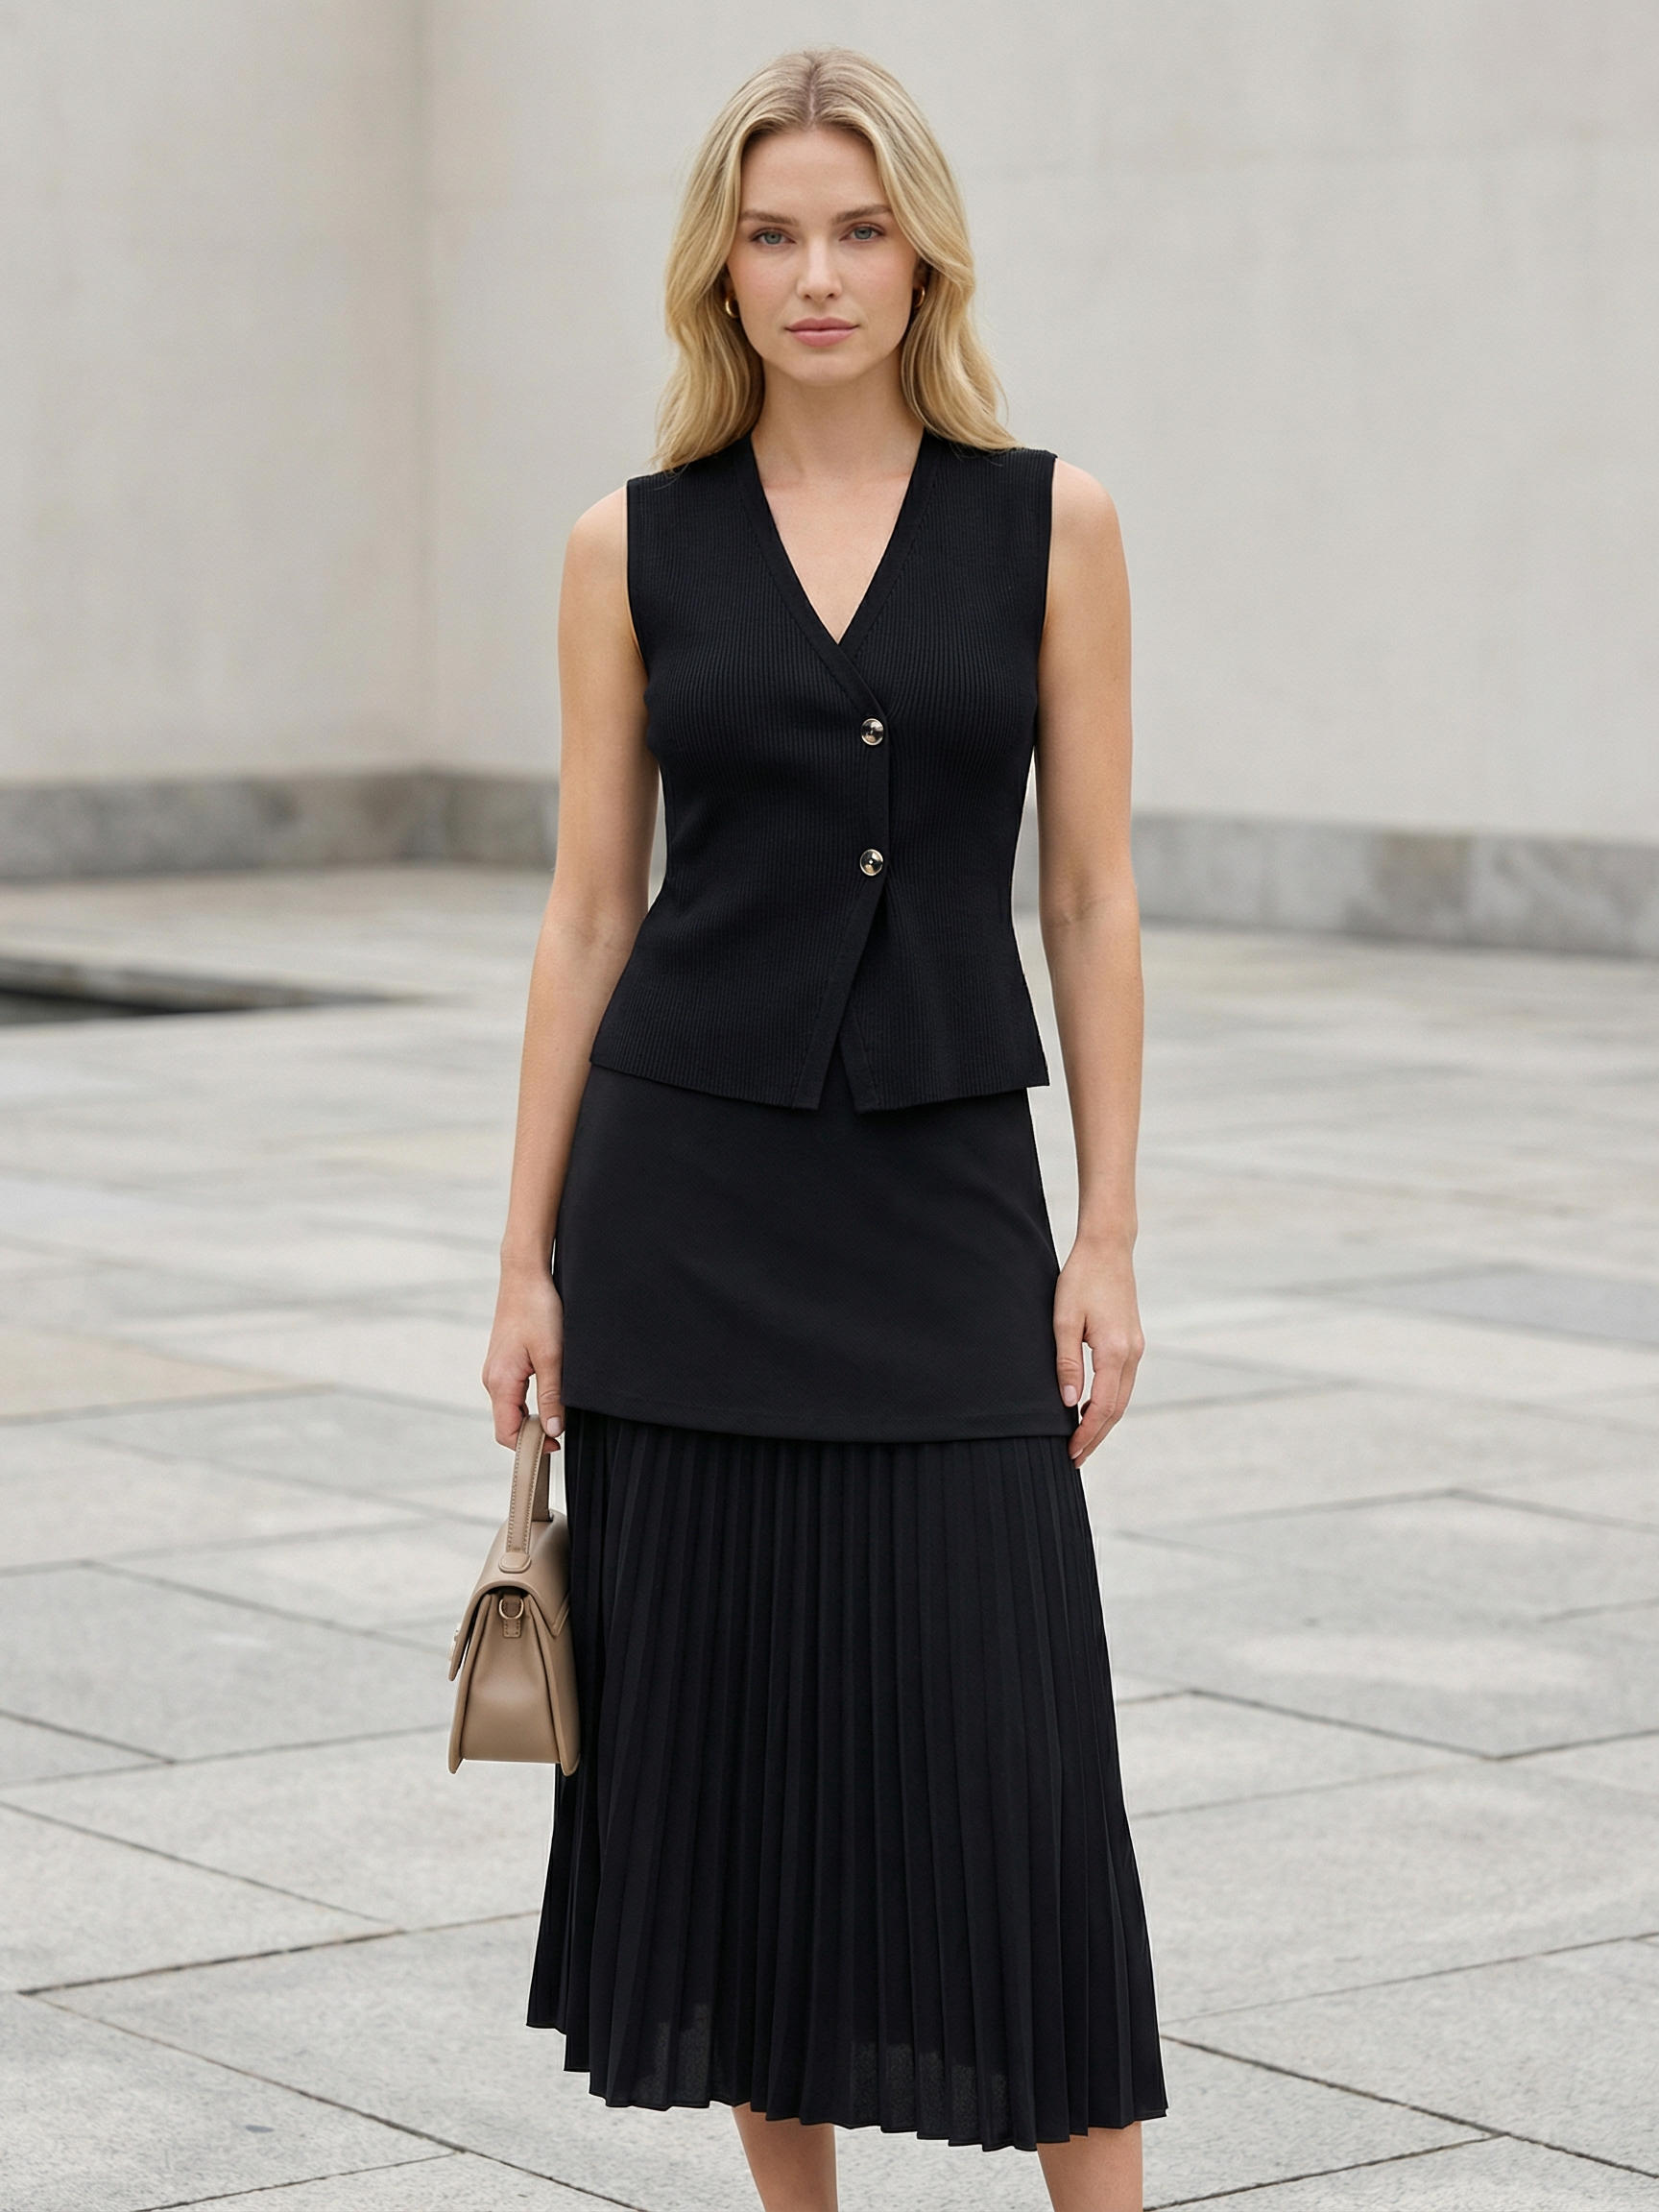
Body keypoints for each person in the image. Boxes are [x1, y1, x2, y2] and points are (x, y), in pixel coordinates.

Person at [483, 46, 1165, 2212]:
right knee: (743, 1777)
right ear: (722, 268)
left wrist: (1112, 1233)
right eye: (774, 233)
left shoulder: (1049, 519)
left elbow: (1091, 892)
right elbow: (593, 911)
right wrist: (523, 1259)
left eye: (858, 229)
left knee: (1016, 1771)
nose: (817, 273)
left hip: (954, 1208)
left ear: (924, 252)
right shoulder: (631, 544)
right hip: (688, 1225)